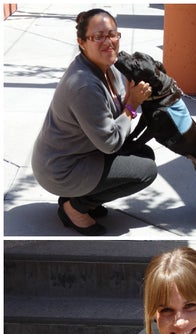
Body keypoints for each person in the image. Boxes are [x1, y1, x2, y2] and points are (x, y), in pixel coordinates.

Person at [32, 8, 157, 236]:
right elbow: (110, 143)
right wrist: (131, 105)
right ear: (82, 42)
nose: (108, 42)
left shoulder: (111, 67)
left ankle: (84, 198)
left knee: (145, 154)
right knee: (146, 171)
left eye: (112, 34)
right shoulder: (84, 85)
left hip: (83, 153)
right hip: (62, 169)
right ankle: (74, 207)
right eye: (98, 37)